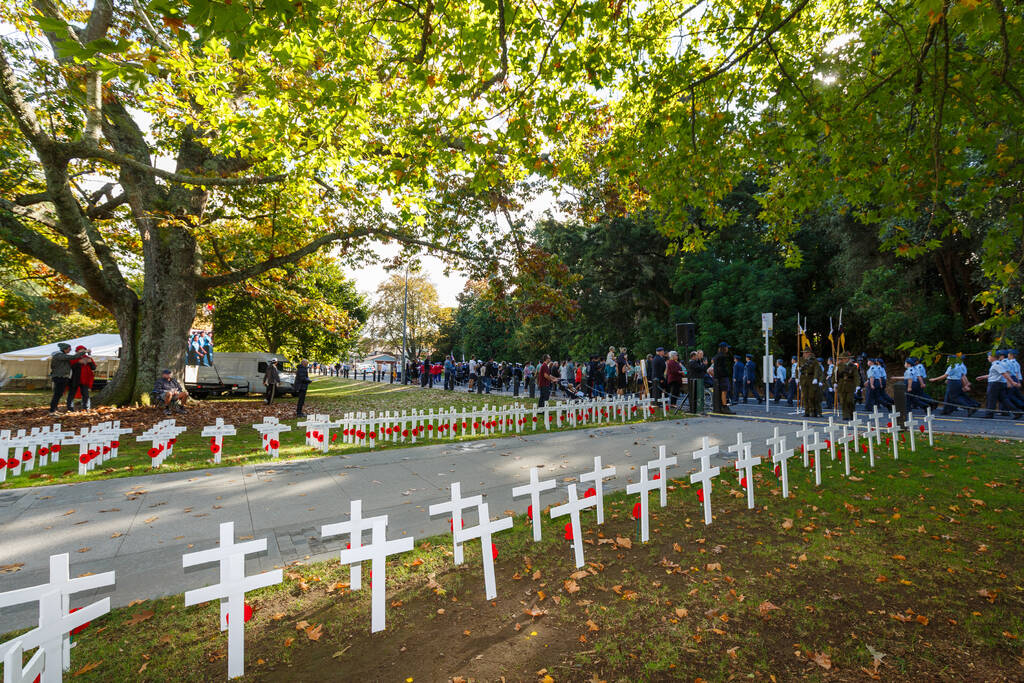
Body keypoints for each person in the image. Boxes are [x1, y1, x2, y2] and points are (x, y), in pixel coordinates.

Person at [976, 350, 1023, 419]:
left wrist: (1012, 382)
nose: (988, 358)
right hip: (1000, 383)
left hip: (994, 384)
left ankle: (989, 414)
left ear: (993, 357)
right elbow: (994, 374)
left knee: (991, 399)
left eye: (989, 356)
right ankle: (1017, 412)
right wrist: (983, 377)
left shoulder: (996, 365)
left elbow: (1004, 374)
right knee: (1004, 400)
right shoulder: (1000, 364)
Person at [48, 343, 86, 415]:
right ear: (65, 349)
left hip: (62, 377)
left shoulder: (61, 355)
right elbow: (72, 357)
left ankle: (54, 409)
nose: (70, 350)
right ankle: (52, 410)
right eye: (69, 348)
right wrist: (84, 352)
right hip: (59, 377)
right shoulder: (59, 355)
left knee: (59, 394)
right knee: (57, 394)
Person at [67, 346, 97, 411]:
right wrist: (78, 363)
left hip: (85, 380)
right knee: (72, 394)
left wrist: (90, 362)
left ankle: (85, 407)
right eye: (80, 350)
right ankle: (70, 407)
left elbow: (93, 368)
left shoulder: (88, 358)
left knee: (85, 394)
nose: (82, 351)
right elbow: (71, 367)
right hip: (75, 379)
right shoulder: (73, 358)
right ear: (77, 351)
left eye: (83, 350)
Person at [799, 349, 824, 417]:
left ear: (810, 353)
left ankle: (814, 411)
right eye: (804, 353)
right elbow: (798, 369)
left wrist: (815, 378)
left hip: (811, 379)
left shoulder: (814, 361)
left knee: (812, 396)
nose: (805, 354)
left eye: (806, 353)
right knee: (805, 397)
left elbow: (817, 370)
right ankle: (807, 412)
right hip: (804, 379)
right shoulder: (801, 360)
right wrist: (797, 379)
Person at [710, 342, 733, 414]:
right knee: (724, 391)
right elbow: (721, 368)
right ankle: (724, 406)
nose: (727, 348)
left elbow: (716, 368)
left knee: (721, 392)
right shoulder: (722, 356)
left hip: (718, 377)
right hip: (722, 377)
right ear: (724, 348)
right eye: (727, 347)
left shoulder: (716, 356)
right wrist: (725, 374)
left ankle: (722, 406)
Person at [835, 352, 858, 419]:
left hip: (850, 385)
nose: (843, 360)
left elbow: (856, 376)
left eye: (845, 358)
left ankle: (852, 414)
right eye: (842, 358)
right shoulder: (838, 366)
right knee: (843, 401)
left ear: (848, 358)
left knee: (849, 400)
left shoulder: (853, 366)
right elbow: (835, 375)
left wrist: (857, 385)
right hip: (841, 385)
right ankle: (845, 415)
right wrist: (834, 383)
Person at [688, 350, 707, 414]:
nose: (698, 356)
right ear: (693, 356)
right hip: (695, 380)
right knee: (695, 395)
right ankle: (694, 408)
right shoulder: (692, 362)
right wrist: (704, 364)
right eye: (696, 355)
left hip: (698, 379)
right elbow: (699, 368)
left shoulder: (696, 361)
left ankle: (697, 407)